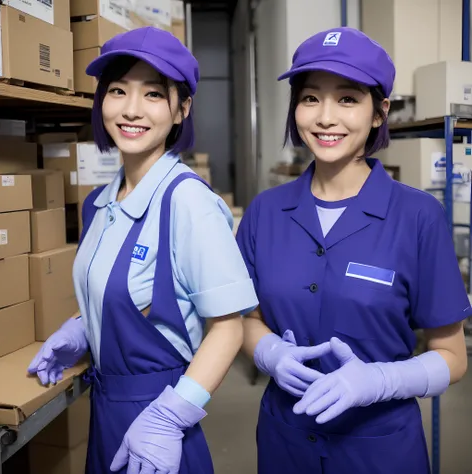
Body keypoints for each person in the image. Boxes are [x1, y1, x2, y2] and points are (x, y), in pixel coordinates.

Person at [236, 27, 470, 474]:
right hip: (285, 439)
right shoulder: (266, 211)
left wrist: (380, 380)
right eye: (310, 99)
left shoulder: (418, 216)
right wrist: (270, 353)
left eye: (347, 99)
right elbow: (247, 319)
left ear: (379, 112)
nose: (325, 117)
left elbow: (453, 358)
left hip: (379, 448)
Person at [27, 27, 259, 474]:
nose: (131, 109)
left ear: (181, 109)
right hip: (106, 406)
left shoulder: (188, 202)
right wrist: (82, 330)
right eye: (117, 91)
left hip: (160, 417)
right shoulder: (99, 202)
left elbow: (228, 328)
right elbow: (128, 295)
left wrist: (170, 418)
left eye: (153, 94)